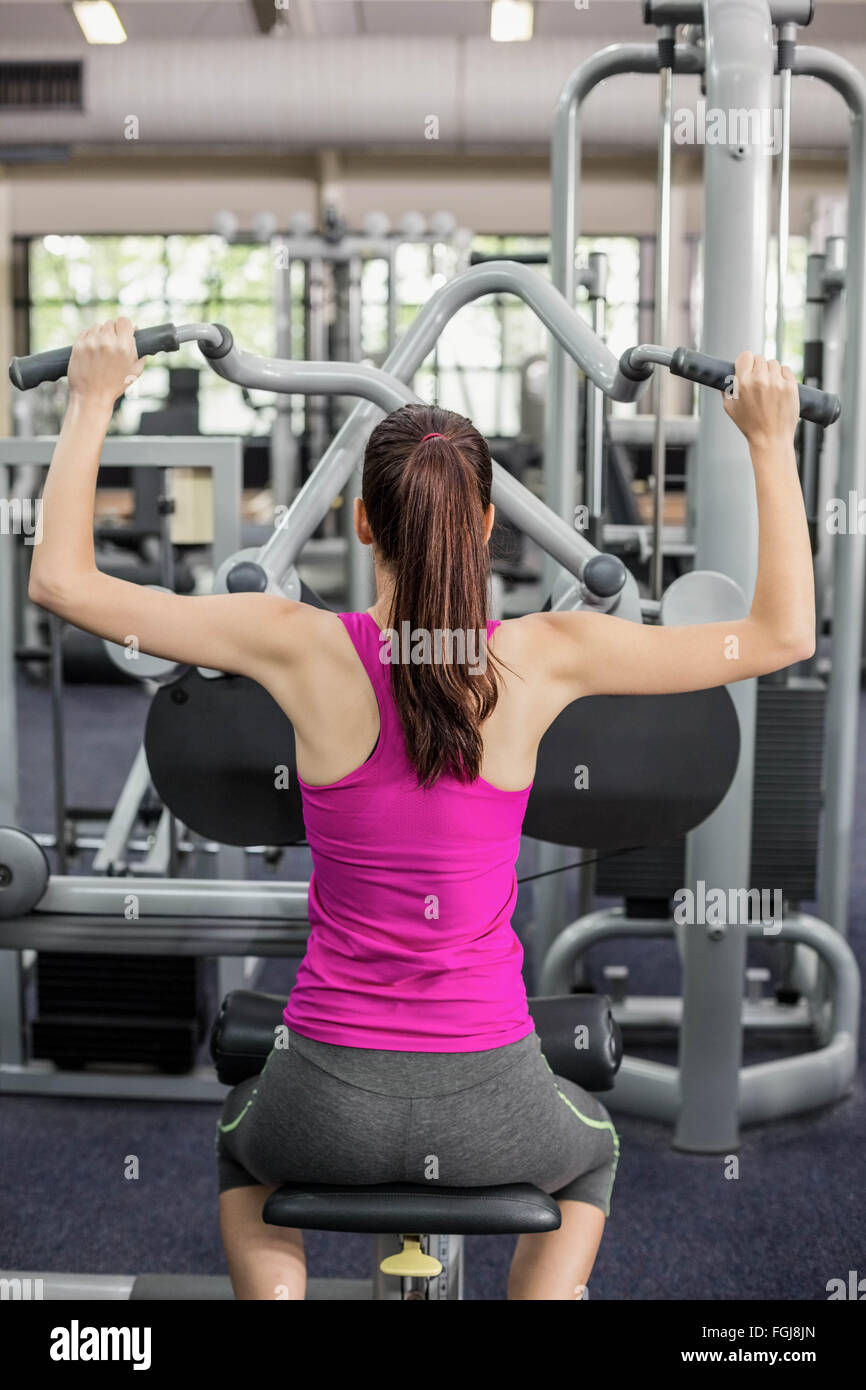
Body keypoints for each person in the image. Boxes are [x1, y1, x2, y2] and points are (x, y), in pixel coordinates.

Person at [28, 318, 814, 1301]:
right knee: (590, 1156)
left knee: (242, 1157)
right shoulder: (549, 651)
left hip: (321, 1092)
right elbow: (780, 633)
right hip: (495, 1095)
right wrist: (767, 440)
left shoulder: (290, 641)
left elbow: (58, 580)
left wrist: (94, 394)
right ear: (485, 525)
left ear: (362, 522)